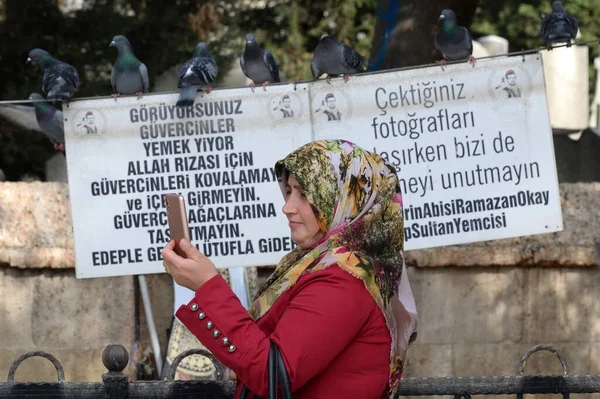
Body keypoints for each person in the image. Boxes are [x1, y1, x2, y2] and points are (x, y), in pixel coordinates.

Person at [162, 139, 419, 398]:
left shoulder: (344, 279)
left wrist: (207, 286)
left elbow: (274, 374)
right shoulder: (317, 263)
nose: (287, 207)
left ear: (343, 201)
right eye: (289, 191)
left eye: (305, 195)